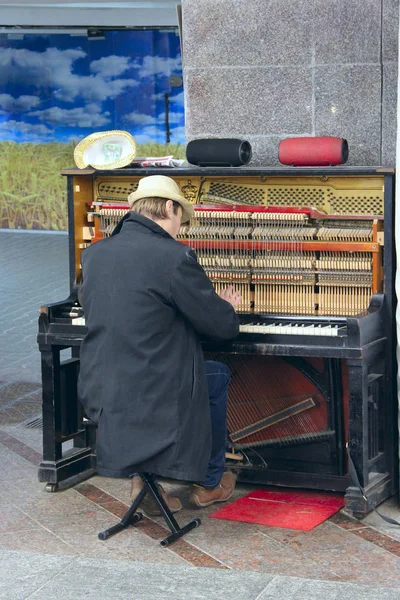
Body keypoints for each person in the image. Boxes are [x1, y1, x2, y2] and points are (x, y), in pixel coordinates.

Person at [78, 174, 241, 516]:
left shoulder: (95, 254)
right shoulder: (174, 256)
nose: (180, 228)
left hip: (102, 384)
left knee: (149, 375)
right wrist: (226, 306)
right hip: (156, 392)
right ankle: (210, 483)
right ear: (169, 207)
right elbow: (221, 328)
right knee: (217, 374)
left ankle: (143, 481)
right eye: (181, 217)